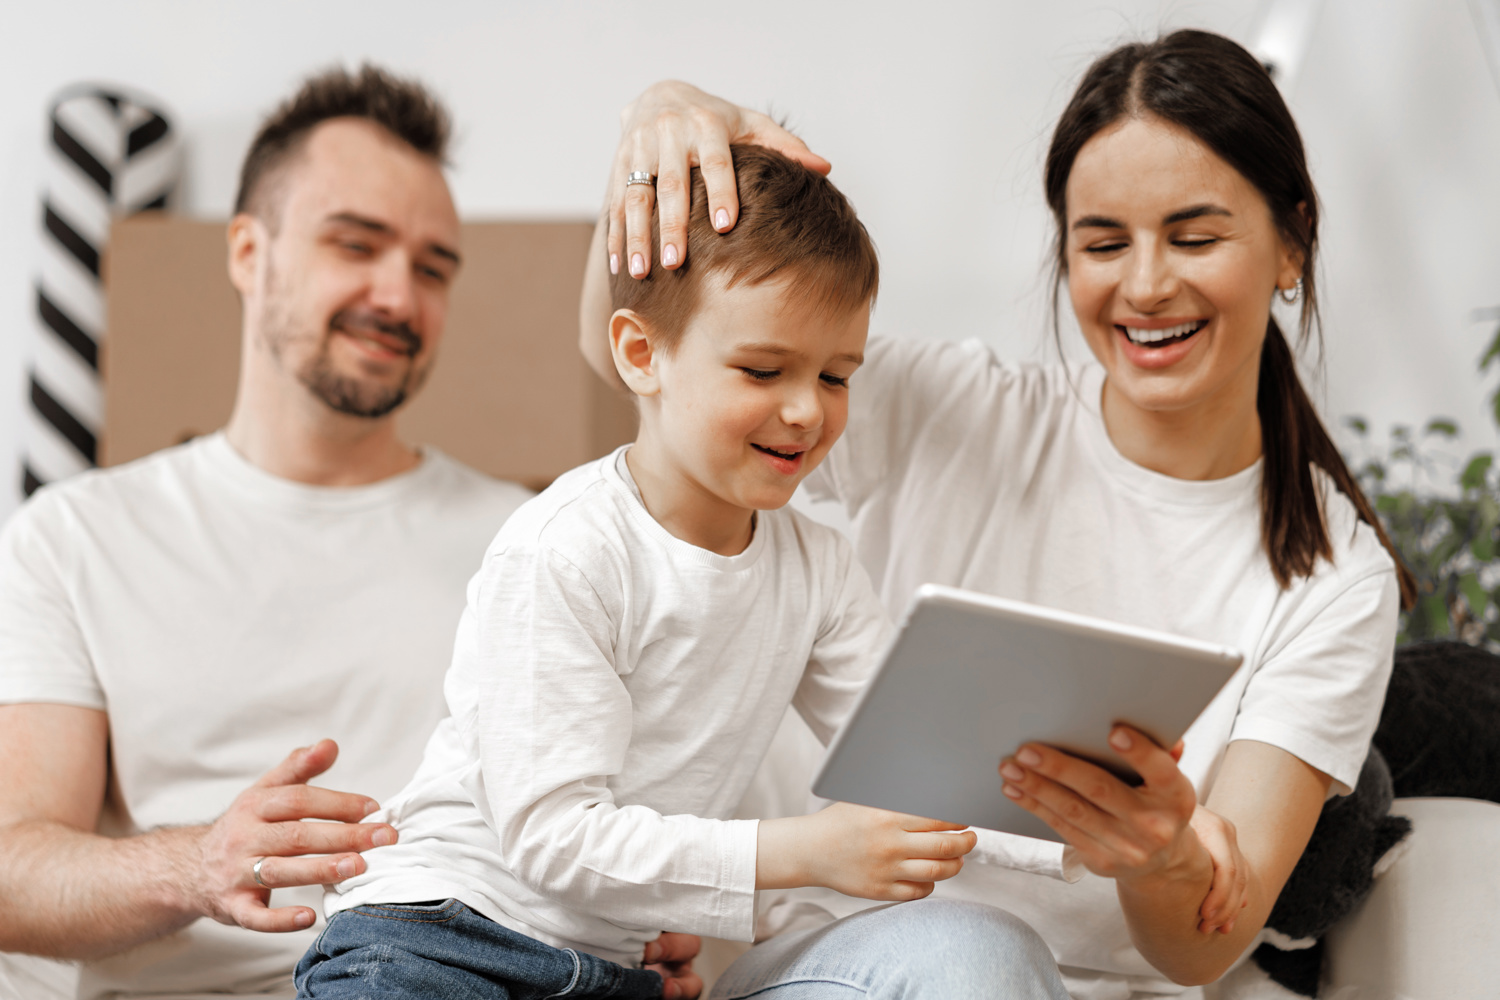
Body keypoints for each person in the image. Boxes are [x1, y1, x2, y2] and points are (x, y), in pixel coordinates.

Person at [583, 30, 1410, 998]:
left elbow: (1199, 945)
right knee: (973, 953)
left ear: (1291, 245)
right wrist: (662, 119)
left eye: (1194, 236)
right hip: (847, 969)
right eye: (1103, 243)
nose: (1145, 285)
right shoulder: (948, 411)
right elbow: (628, 361)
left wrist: (1160, 854)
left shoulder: (1335, 580)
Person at [294, 144, 1015, 1000]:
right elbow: (553, 839)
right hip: (438, 935)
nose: (807, 410)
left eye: (836, 376)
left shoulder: (816, 571)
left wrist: (1107, 840)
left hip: (606, 971)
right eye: (762, 369)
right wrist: (805, 851)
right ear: (643, 355)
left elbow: (929, 767)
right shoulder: (565, 548)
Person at [0, 64, 631, 1000]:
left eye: (432, 268)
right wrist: (198, 865)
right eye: (357, 244)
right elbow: (12, 875)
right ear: (250, 253)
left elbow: (598, 821)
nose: (398, 297)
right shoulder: (75, 536)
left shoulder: (534, 537)